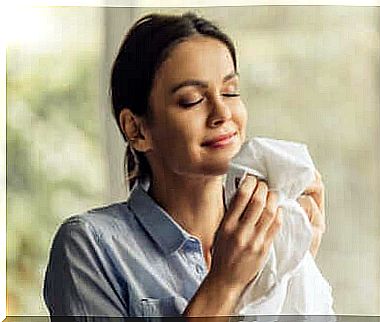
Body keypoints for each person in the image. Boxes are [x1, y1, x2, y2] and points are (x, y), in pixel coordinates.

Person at [43, 12, 326, 318]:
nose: (222, 113)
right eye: (191, 100)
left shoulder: (268, 236)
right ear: (137, 129)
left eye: (230, 91)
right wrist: (224, 284)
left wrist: (296, 258)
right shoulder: (90, 247)